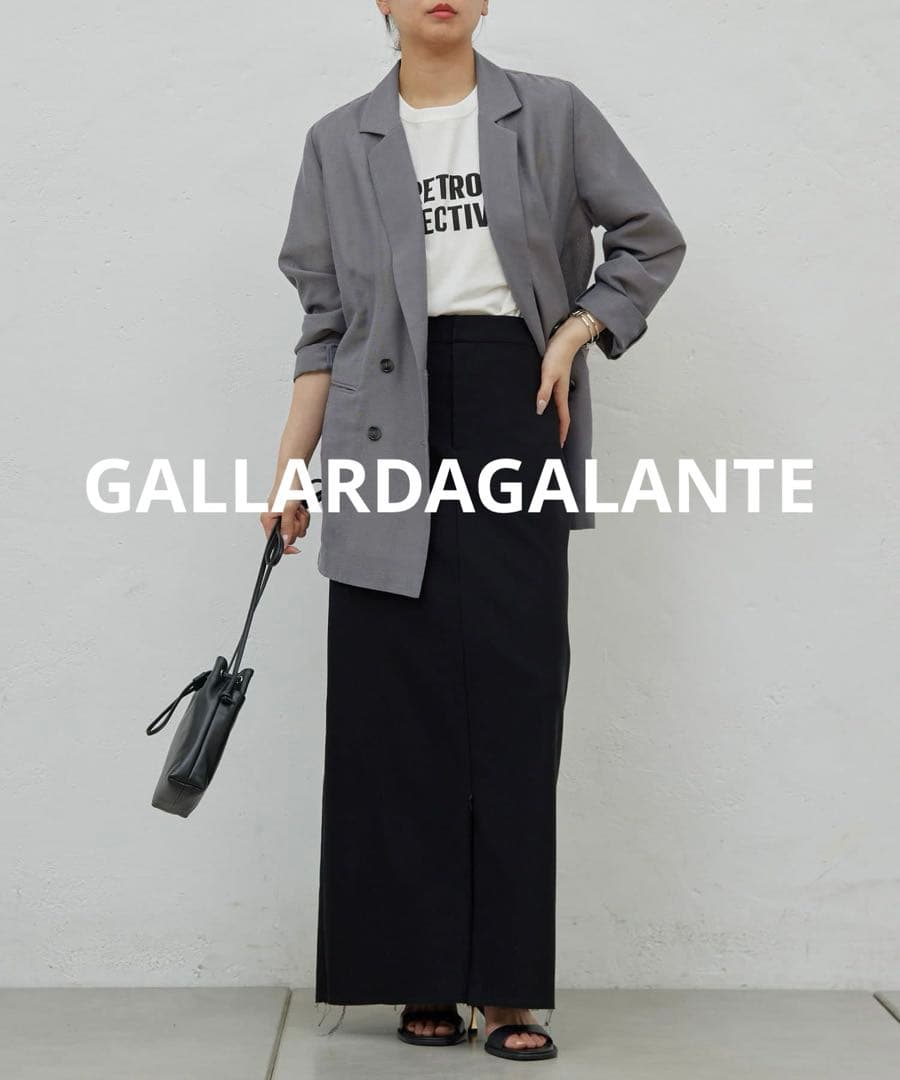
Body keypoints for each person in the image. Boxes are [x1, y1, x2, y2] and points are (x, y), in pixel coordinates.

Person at [261, 0, 686, 1063]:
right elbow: (324, 324)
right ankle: (419, 977)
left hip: (515, 402)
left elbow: (648, 237)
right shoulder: (338, 140)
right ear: (383, 3)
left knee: (514, 693)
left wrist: (576, 331)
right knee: (393, 706)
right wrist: (291, 472)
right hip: (378, 422)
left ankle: (507, 988)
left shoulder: (550, 113)